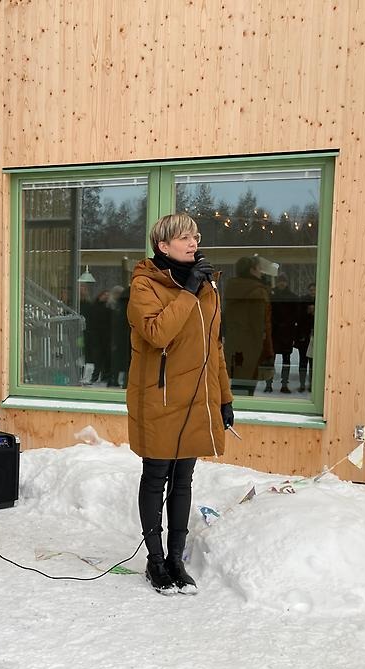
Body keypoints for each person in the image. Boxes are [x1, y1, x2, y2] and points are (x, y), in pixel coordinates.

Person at [126, 213, 234, 595]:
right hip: (159, 399)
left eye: (195, 236)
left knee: (183, 480)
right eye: (184, 237)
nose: (193, 242)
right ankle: (154, 561)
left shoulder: (207, 287)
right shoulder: (144, 285)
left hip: (195, 401)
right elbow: (157, 333)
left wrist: (224, 398)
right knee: (156, 478)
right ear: (163, 246)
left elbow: (214, 347)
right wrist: (188, 291)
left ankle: (175, 557)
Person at [222, 256, 273, 396]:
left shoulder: (231, 288)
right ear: (252, 270)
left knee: (237, 386)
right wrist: (268, 352)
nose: (261, 272)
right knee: (246, 387)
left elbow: (225, 318)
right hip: (252, 347)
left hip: (233, 344)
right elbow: (261, 325)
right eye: (259, 268)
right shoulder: (258, 291)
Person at [268, 273, 299, 393]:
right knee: (270, 360)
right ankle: (268, 384)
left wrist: (287, 325)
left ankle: (284, 384)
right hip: (274, 333)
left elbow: (295, 316)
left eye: (284, 281)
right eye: (280, 281)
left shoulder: (292, 297)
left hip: (286, 333)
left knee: (286, 361)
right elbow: (267, 312)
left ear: (286, 283)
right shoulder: (271, 295)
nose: (282, 283)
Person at [293, 282, 316, 393]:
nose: (313, 292)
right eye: (311, 290)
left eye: (314, 290)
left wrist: (315, 312)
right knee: (303, 362)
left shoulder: (321, 300)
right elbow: (299, 318)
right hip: (304, 337)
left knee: (313, 363)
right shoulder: (303, 302)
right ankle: (302, 384)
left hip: (315, 337)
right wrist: (308, 312)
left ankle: (312, 384)